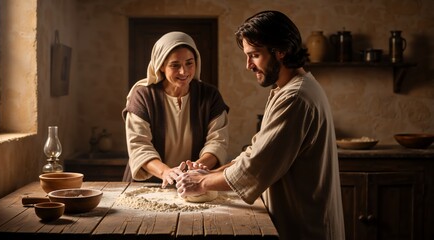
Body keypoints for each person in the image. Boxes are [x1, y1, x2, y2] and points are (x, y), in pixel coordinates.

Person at [176, 11, 345, 239]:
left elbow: (255, 167)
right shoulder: (286, 90)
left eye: (255, 55)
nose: (248, 65)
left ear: (281, 51)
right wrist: (210, 171)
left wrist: (203, 182)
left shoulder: (295, 97)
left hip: (304, 226)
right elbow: (255, 151)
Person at [122, 31, 230, 188]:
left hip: (194, 183)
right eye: (175, 65)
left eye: (189, 63)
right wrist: (166, 172)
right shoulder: (143, 95)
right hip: (148, 184)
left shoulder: (210, 95)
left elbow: (218, 141)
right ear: (161, 66)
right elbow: (139, 145)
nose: (184, 72)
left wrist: (195, 169)